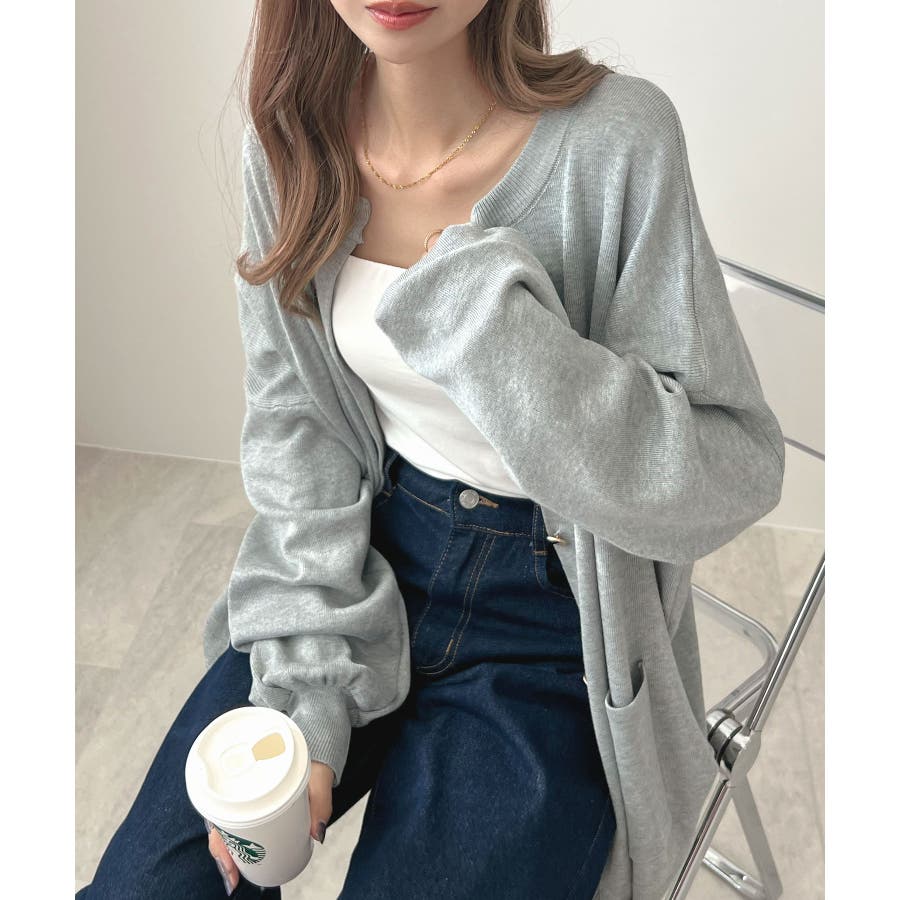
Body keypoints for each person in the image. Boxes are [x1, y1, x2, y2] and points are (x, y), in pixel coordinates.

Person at [77, 1, 785, 898]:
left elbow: (732, 466)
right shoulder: (292, 143)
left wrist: (499, 336)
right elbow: (299, 425)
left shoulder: (616, 139)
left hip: (553, 613)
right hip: (362, 557)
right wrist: (313, 679)